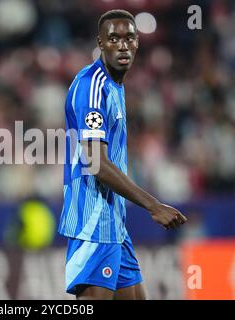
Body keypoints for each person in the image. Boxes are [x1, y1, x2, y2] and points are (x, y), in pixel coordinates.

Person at [58, 10, 187, 300]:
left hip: (113, 222)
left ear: (138, 42)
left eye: (129, 38)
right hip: (91, 223)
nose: (123, 45)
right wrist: (153, 205)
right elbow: (96, 163)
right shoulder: (93, 86)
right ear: (100, 43)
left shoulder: (115, 85)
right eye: (114, 38)